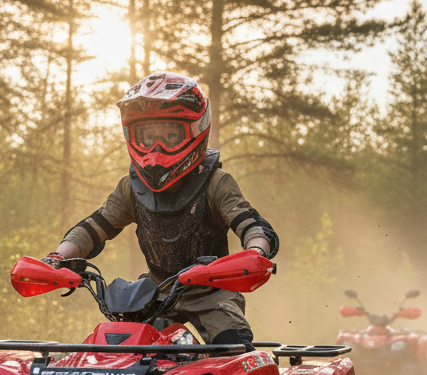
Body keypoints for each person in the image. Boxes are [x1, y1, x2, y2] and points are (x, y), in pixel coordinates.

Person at [44, 71, 278, 348]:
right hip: (157, 292)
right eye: (147, 136)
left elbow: (250, 223)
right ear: (132, 135)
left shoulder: (215, 182)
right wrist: (57, 257)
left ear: (195, 129)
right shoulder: (131, 187)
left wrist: (255, 252)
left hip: (213, 291)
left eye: (169, 135)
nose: (156, 147)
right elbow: (93, 228)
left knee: (233, 349)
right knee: (120, 350)